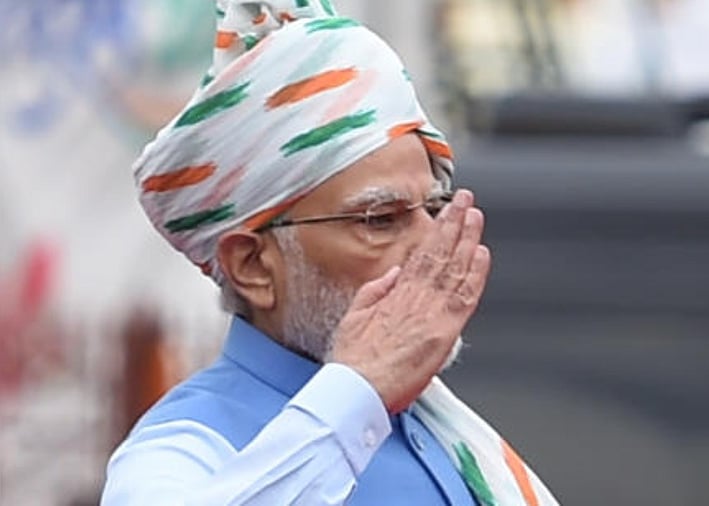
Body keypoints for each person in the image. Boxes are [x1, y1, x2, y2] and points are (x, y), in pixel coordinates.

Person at [101, 1, 559, 504]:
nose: (430, 245)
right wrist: (357, 392)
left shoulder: (445, 435)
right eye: (379, 220)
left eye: (434, 206)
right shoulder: (181, 451)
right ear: (253, 266)